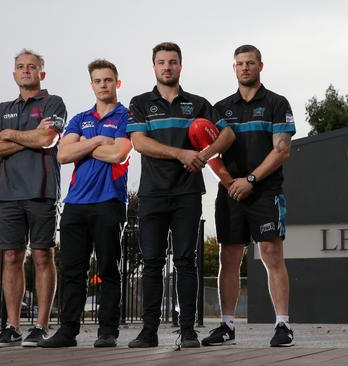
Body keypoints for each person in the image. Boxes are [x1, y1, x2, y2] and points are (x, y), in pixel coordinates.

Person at [126, 42, 235, 348]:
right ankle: (148, 332)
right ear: (154, 67)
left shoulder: (198, 104)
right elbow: (139, 143)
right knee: (152, 262)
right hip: (152, 194)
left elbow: (227, 134)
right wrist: (181, 154)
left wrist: (205, 153)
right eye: (161, 62)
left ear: (180, 66)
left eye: (172, 62)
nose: (167, 67)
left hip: (187, 193)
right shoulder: (140, 102)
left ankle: (188, 330)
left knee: (186, 262)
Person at [201, 45, 296, 348]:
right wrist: (231, 182)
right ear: (234, 68)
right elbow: (212, 152)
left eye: (250, 63)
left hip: (264, 191)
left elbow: (281, 150)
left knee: (271, 255)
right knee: (228, 259)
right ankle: (227, 326)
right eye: (240, 63)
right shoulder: (220, 108)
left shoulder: (277, 104)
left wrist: (251, 180)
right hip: (230, 193)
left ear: (260, 66)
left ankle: (283, 326)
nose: (245, 68)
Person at [38, 59, 131, 348]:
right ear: (91, 85)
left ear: (117, 83)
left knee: (108, 269)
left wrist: (84, 146)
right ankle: (68, 331)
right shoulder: (80, 118)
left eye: (108, 80)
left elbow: (119, 155)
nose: (103, 85)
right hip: (76, 203)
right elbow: (63, 155)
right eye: (97, 81)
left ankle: (107, 332)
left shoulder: (127, 117)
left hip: (109, 201)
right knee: (73, 270)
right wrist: (99, 141)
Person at [0, 49, 66, 347]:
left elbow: (48, 139)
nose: (26, 70)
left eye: (32, 67)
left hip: (42, 192)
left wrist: (9, 135)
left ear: (41, 74)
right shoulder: (2, 109)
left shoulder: (53, 103)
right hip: (8, 195)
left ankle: (40, 326)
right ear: (14, 74)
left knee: (43, 256)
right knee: (10, 257)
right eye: (21, 66)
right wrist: (28, 137)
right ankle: (13, 327)